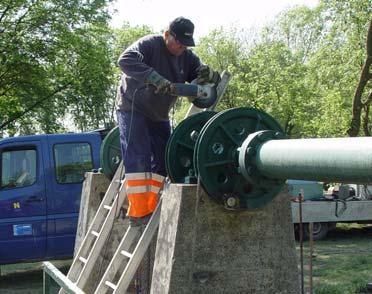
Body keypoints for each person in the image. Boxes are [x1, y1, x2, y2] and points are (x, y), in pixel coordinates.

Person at [116, 16, 220, 226]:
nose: (182, 47)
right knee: (139, 157)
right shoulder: (149, 44)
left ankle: (151, 206)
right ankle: (137, 213)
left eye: (186, 44)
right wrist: (153, 78)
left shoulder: (187, 57)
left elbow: (200, 87)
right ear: (167, 35)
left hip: (159, 114)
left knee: (166, 159)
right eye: (179, 42)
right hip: (132, 108)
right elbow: (125, 60)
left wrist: (208, 77)